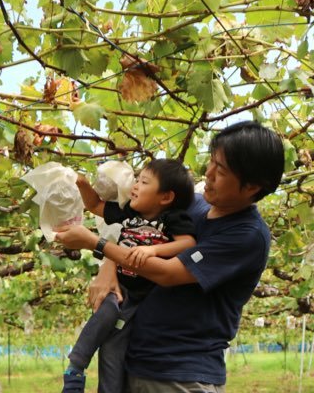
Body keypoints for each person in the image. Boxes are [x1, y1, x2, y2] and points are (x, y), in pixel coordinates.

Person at [56, 121, 285, 392]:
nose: (208, 173)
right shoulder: (192, 206)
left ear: (251, 187)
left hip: (182, 375)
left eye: (221, 170)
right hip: (136, 363)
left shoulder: (246, 235)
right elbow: (135, 228)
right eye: (211, 162)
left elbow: (166, 273)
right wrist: (109, 265)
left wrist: (95, 243)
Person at [62, 159, 196, 393]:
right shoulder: (127, 212)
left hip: (142, 298)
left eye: (144, 182)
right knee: (108, 311)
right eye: (137, 179)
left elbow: (187, 243)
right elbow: (94, 205)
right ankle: (75, 368)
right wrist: (81, 183)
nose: (134, 185)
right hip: (119, 287)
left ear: (165, 197)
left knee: (114, 350)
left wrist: (153, 249)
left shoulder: (173, 219)